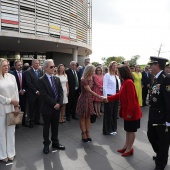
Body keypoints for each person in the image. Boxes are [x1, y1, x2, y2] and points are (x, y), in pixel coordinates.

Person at [101, 65, 142, 157]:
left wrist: (130, 113)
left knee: (131, 131)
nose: (117, 73)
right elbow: (119, 94)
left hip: (131, 112)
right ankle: (126, 146)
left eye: (118, 72)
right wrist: (108, 98)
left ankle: (129, 148)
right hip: (128, 111)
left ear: (122, 73)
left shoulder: (128, 82)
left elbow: (132, 100)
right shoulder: (125, 82)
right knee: (128, 130)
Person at [147, 56, 170, 170]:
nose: (150, 66)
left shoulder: (166, 78)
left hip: (162, 117)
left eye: (152, 64)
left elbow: (168, 101)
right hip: (153, 114)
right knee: (151, 135)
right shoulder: (156, 77)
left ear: (157, 65)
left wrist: (168, 120)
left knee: (163, 141)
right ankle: (160, 154)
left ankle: (161, 163)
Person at [38, 59, 65, 154]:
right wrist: (55, 104)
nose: (54, 68)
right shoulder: (41, 80)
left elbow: (61, 92)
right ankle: (46, 144)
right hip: (47, 108)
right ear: (45, 68)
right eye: (51, 67)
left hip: (57, 108)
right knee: (46, 127)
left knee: (55, 126)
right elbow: (44, 95)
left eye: (54, 66)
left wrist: (59, 103)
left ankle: (55, 142)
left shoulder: (57, 79)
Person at [76, 64, 102, 142]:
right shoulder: (84, 79)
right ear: (89, 71)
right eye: (93, 71)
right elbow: (89, 90)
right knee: (82, 117)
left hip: (89, 99)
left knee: (88, 117)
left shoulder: (91, 78)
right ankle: (83, 133)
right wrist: (99, 96)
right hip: (84, 99)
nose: (94, 72)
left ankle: (88, 132)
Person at [0, 58, 19, 162]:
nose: (7, 67)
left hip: (12, 108)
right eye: (4, 65)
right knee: (1, 133)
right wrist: (10, 100)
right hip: (1, 109)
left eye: (7, 65)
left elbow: (16, 91)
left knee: (11, 132)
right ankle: (3, 155)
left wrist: (17, 106)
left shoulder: (12, 77)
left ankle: (11, 153)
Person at [103, 61, 121, 135]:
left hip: (116, 96)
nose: (115, 67)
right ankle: (107, 130)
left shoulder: (117, 76)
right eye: (114, 65)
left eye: (116, 65)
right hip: (110, 96)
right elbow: (104, 86)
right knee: (108, 113)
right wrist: (105, 97)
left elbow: (119, 87)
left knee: (114, 113)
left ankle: (114, 128)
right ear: (110, 67)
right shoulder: (107, 75)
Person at [25, 59, 43, 128]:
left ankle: (37, 120)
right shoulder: (28, 72)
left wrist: (40, 90)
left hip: (39, 94)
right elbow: (29, 83)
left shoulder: (40, 71)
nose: (37, 64)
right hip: (32, 93)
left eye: (38, 63)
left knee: (38, 108)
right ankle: (31, 121)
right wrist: (36, 91)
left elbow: (41, 82)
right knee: (31, 108)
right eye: (36, 63)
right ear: (32, 64)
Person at [13, 60, 28, 127]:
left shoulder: (25, 73)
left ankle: (24, 122)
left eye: (21, 65)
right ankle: (16, 123)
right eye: (19, 65)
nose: (20, 66)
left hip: (23, 94)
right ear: (15, 66)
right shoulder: (12, 74)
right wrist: (19, 91)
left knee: (24, 108)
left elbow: (27, 83)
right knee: (16, 108)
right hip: (16, 94)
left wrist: (24, 90)